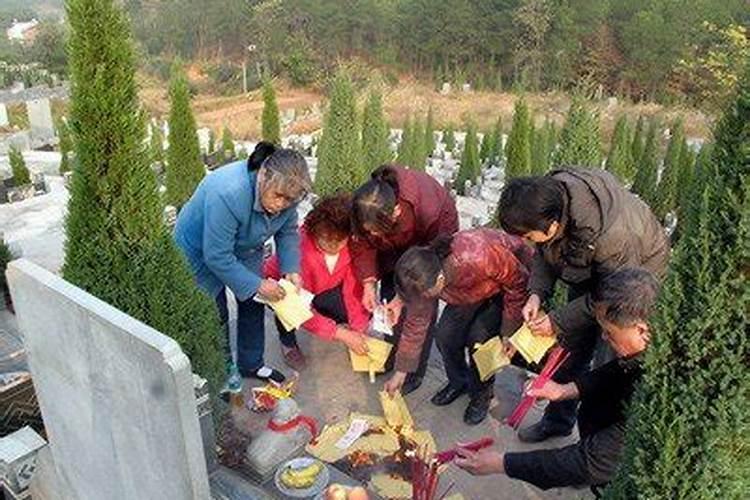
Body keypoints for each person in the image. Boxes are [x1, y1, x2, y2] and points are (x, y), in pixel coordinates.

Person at [497, 168, 669, 443]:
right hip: (589, 265)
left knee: (610, 361)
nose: (526, 242)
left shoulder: (611, 236)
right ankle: (558, 422)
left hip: (633, 276)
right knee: (570, 348)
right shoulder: (547, 201)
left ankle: (597, 447)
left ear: (553, 226)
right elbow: (544, 250)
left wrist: (558, 319)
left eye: (528, 236)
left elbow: (607, 295)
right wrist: (536, 293)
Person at [454, 267, 659, 493]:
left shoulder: (655, 393)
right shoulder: (646, 351)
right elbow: (615, 372)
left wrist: (501, 463)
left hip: (629, 471)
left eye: (609, 332)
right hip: (602, 451)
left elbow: (590, 461)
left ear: (641, 330)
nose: (603, 337)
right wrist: (563, 390)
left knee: (593, 470)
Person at [174, 142, 311, 383]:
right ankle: (223, 370)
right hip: (199, 252)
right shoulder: (227, 193)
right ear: (263, 175)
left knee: (252, 304)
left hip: (245, 246)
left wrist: (291, 268)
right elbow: (216, 256)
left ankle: (251, 364)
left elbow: (288, 232)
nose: (281, 205)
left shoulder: (289, 193)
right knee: (215, 312)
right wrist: (257, 284)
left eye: (288, 201)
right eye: (277, 196)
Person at [391, 228, 534, 424]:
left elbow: (518, 282)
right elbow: (416, 322)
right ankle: (458, 382)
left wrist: (510, 330)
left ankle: (481, 396)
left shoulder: (477, 254)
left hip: (505, 288)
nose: (423, 301)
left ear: (440, 280)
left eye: (426, 295)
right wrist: (401, 372)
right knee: (445, 335)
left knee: (480, 342)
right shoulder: (422, 277)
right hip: (468, 293)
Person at [351, 164, 459, 395]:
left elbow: (427, 264)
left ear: (396, 212)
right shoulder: (369, 205)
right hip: (396, 248)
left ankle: (412, 370)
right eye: (368, 230)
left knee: (418, 308)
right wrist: (368, 283)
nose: (372, 236)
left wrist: (403, 298)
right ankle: (392, 355)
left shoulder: (428, 209)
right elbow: (362, 243)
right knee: (389, 302)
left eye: (376, 231)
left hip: (429, 247)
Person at [264, 195, 371, 370]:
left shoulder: (352, 245)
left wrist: (358, 326)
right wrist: (340, 334)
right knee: (286, 312)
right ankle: (288, 343)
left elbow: (353, 287)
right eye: (325, 239)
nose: (332, 246)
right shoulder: (300, 252)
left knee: (349, 311)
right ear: (314, 231)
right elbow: (298, 308)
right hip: (282, 288)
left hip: (322, 285)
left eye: (339, 241)